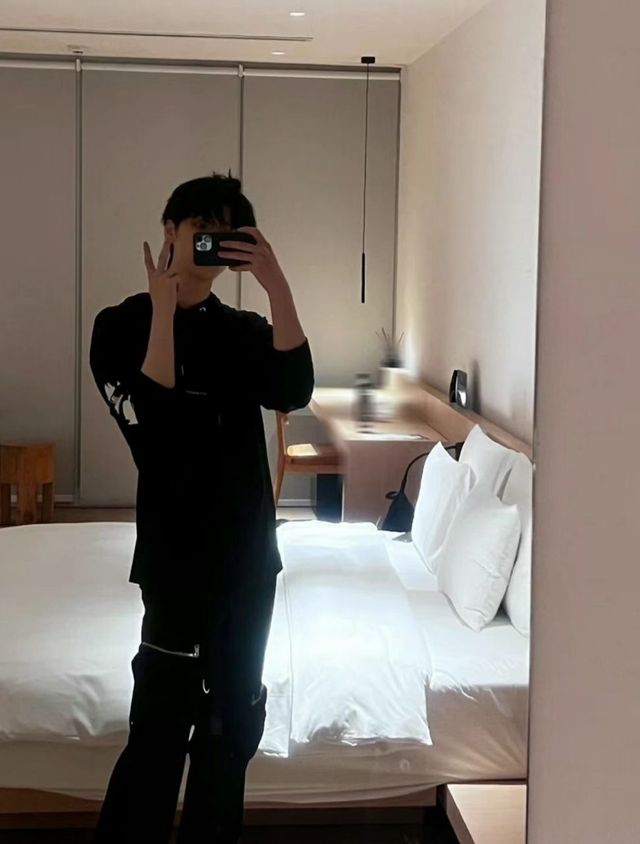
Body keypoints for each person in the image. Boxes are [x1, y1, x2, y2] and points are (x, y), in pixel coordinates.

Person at [89, 172, 314, 843]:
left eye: (227, 234)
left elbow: (294, 389)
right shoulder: (119, 326)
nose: (213, 244)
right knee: (158, 731)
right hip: (175, 565)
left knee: (232, 730)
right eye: (201, 230)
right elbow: (155, 433)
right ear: (170, 231)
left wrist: (277, 285)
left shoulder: (243, 330)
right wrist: (163, 312)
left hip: (249, 563)